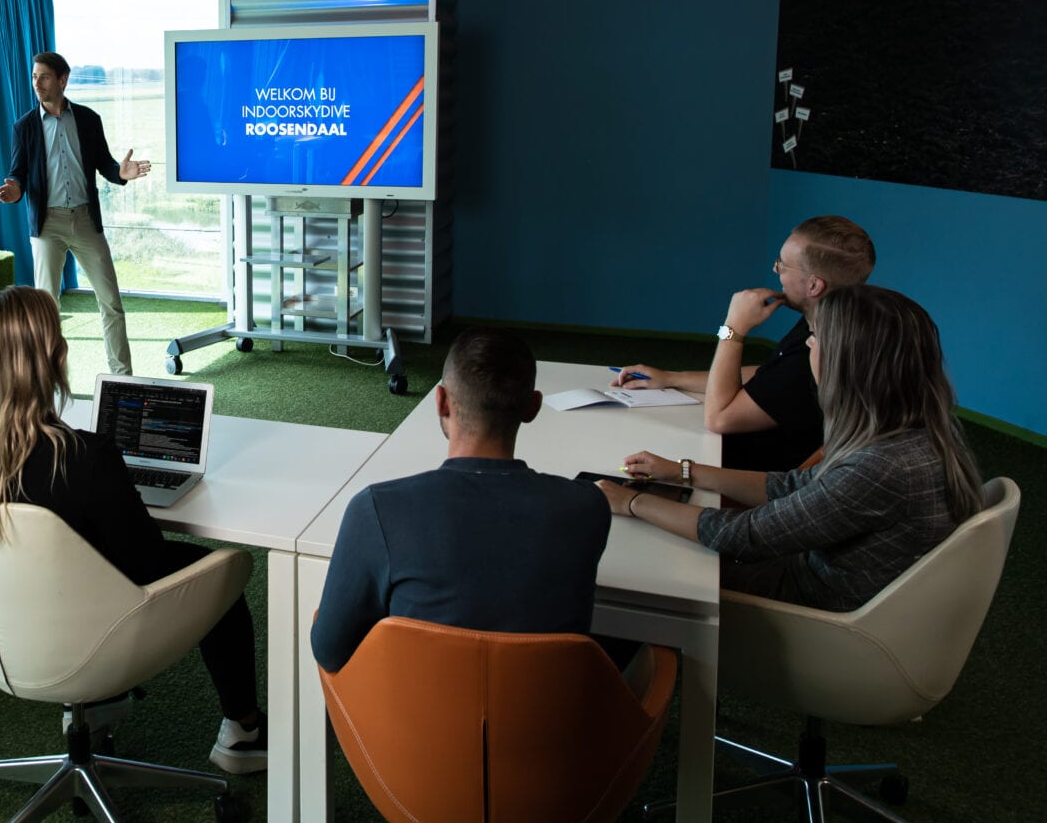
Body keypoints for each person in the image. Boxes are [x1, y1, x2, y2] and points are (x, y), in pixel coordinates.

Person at [0, 286, 268, 773]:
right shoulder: (83, 457)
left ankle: (96, 707)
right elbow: (145, 566)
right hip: (91, 640)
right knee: (216, 571)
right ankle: (243, 734)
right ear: (53, 358)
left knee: (80, 560)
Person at [598, 285, 984, 611]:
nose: (809, 344)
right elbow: (797, 485)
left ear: (844, 362)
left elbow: (746, 536)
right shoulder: (918, 425)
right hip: (833, 572)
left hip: (819, 601)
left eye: (815, 339)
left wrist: (631, 502)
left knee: (641, 560)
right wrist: (684, 471)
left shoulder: (882, 465)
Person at [310, 328, 613, 674]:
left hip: (407, 725)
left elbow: (330, 650)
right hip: (549, 725)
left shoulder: (377, 510)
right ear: (533, 407)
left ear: (440, 401)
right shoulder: (588, 507)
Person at [611, 215, 876, 471]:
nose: (775, 269)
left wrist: (732, 328)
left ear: (814, 286)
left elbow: (718, 419)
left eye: (782, 265)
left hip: (745, 478)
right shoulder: (822, 321)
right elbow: (766, 377)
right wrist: (672, 378)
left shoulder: (818, 354)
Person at [0, 51, 150, 375]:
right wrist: (14, 192)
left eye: (44, 77)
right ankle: (42, 380)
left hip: (84, 221)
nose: (37, 83)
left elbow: (106, 165)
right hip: (47, 224)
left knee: (110, 302)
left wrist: (122, 173)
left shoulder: (89, 119)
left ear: (62, 80)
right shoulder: (24, 127)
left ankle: (122, 378)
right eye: (34, 76)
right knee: (45, 308)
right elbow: (18, 174)